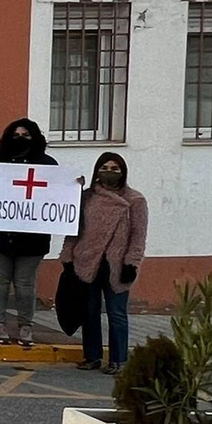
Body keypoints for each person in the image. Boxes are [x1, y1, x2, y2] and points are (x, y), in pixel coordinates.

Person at [0, 119, 59, 347]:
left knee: (25, 283)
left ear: (35, 137)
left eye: (26, 134)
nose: (20, 138)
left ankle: (25, 327)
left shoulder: (48, 164)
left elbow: (58, 196)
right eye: (16, 134)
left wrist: (72, 185)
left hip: (32, 239)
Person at [62, 153, 147, 374]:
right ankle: (92, 356)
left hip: (117, 265)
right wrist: (67, 256)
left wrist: (132, 262)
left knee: (116, 313)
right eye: (105, 167)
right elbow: (73, 230)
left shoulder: (135, 200)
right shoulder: (86, 197)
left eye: (115, 168)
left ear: (123, 171)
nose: (109, 172)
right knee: (89, 312)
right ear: (97, 170)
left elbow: (139, 235)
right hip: (86, 261)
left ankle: (119, 359)